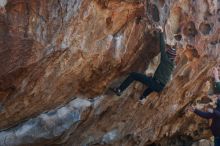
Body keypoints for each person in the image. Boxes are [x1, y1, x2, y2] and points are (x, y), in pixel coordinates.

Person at [111, 26, 177, 101]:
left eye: (167, 53)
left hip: (155, 83)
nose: (165, 52)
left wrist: (161, 32)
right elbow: (165, 76)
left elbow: (162, 47)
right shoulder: (172, 65)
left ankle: (119, 90)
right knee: (151, 85)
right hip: (160, 87)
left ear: (168, 55)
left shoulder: (165, 59)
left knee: (133, 75)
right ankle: (143, 97)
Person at [187, 67, 220, 146]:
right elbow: (210, 115)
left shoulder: (217, 110)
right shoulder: (218, 106)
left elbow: (213, 114)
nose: (217, 96)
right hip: (217, 137)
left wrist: (210, 111)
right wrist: (195, 110)